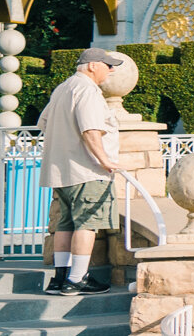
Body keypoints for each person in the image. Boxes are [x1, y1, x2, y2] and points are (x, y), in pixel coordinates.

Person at [39, 49, 132, 296]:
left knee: (65, 224)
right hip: (87, 171)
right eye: (107, 65)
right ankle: (77, 279)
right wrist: (106, 161)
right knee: (87, 224)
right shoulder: (88, 91)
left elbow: (44, 123)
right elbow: (90, 130)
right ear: (92, 65)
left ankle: (59, 279)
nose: (111, 70)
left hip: (62, 171)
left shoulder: (63, 88)